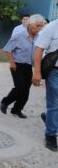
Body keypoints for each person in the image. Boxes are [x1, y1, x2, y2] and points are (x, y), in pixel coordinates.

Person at [0, 14, 45, 118]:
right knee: (20, 87)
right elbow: (8, 49)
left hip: (28, 66)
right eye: (37, 26)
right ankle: (5, 102)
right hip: (17, 65)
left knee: (26, 91)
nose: (39, 28)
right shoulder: (19, 35)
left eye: (41, 26)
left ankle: (17, 110)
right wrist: (12, 62)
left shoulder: (39, 37)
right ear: (30, 25)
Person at [32, 18, 58, 152]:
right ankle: (51, 135)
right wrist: (37, 72)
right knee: (54, 103)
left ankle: (48, 118)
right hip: (55, 71)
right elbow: (38, 50)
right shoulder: (51, 28)